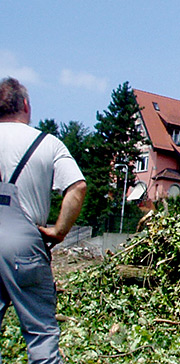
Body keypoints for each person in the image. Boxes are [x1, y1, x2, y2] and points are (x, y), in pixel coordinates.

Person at [0, 77, 86, 364]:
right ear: (25, 105)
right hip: (24, 248)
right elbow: (77, 187)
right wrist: (59, 231)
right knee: (40, 334)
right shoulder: (47, 144)